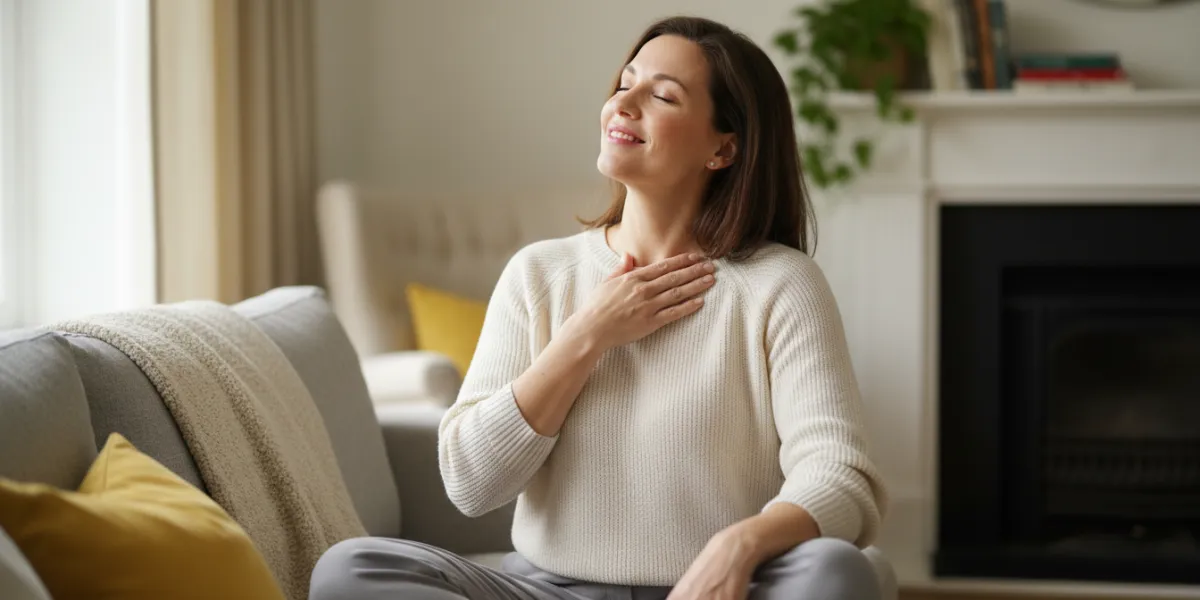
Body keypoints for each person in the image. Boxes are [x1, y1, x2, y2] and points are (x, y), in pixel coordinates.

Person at [310, 15, 888, 600]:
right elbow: (470, 483)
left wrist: (738, 545)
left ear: (723, 147)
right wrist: (587, 335)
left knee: (836, 572)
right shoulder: (539, 275)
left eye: (662, 95)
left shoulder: (779, 286)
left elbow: (841, 475)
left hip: (718, 589)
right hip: (549, 590)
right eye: (624, 83)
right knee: (350, 572)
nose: (624, 103)